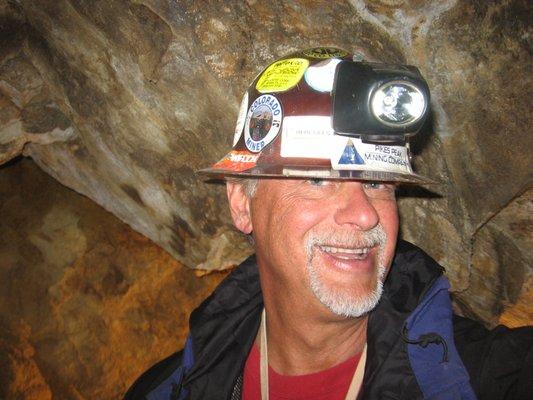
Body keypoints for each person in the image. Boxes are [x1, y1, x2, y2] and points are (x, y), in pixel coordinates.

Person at [125, 48, 533, 400]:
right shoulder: (168, 389)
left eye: (376, 182)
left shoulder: (479, 376)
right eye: (318, 180)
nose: (364, 213)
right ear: (241, 203)